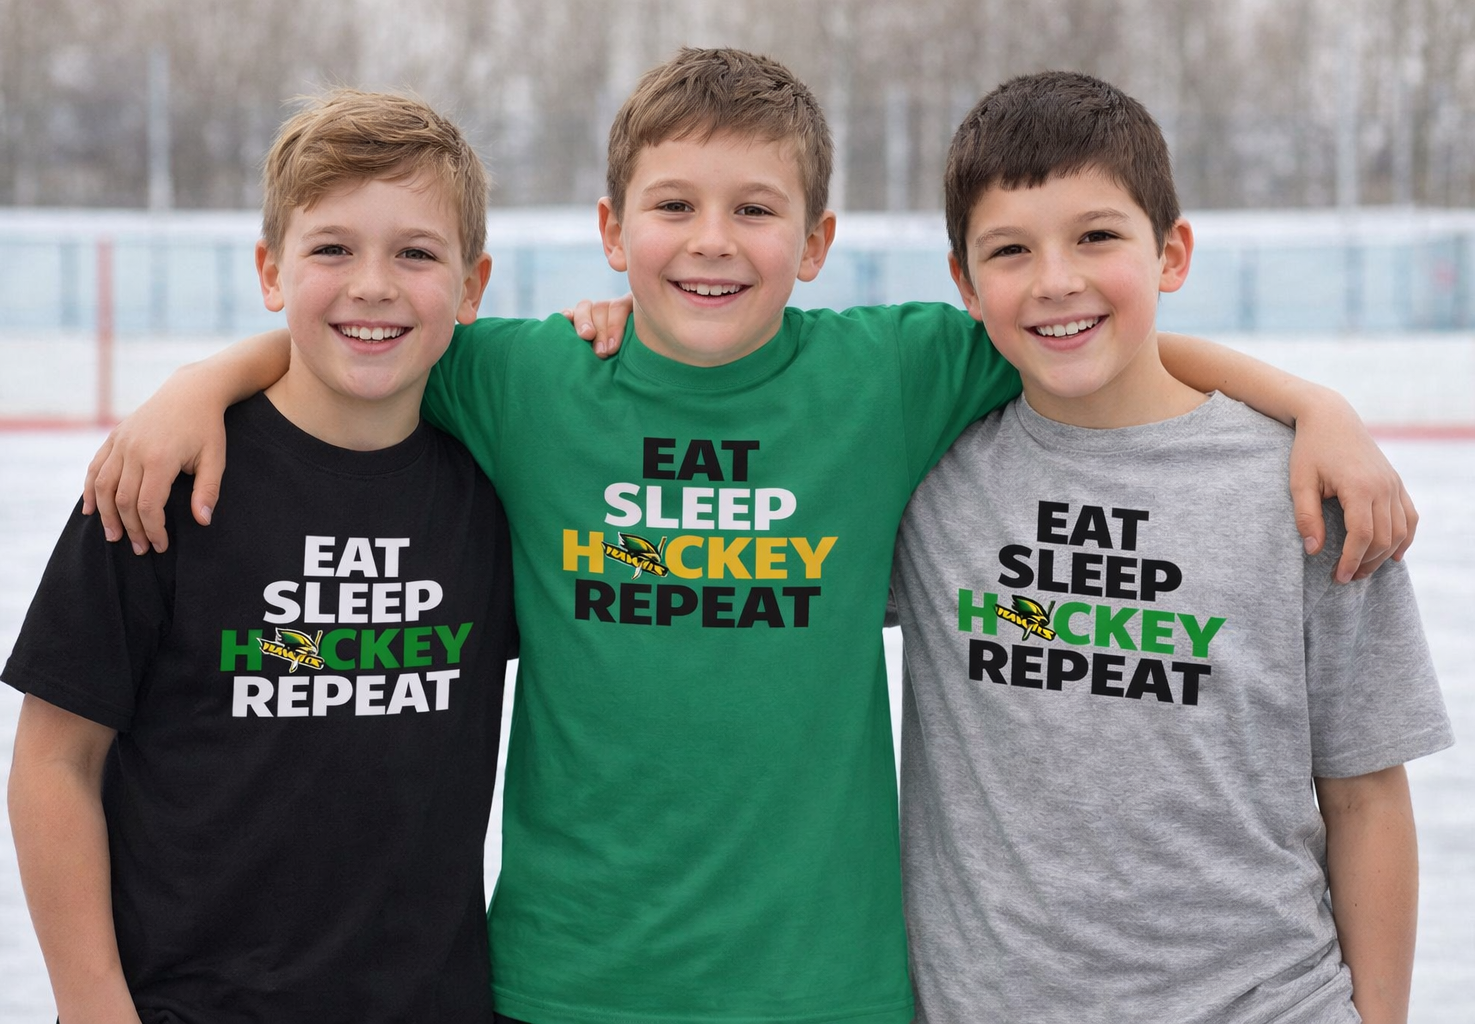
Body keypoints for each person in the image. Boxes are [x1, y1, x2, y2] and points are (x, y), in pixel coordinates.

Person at [77, 49, 1416, 1024]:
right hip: (571, 978)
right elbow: (371, 330)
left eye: (755, 211)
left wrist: (1313, 406)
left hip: (830, 984)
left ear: (817, 240)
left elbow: (1078, 330)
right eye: (673, 208)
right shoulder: (529, 381)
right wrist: (204, 381)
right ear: (612, 233)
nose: (710, 243)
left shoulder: (891, 375)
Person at [890, 71, 1453, 1024]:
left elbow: (1366, 796)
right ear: (965, 284)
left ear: (1172, 252)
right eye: (1011, 250)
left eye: (1097, 236)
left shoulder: (1305, 489)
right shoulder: (927, 480)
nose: (1056, 280)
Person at [3, 89, 516, 1024]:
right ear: (271, 271)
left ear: (472, 286)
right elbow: (54, 762)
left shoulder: (496, 495)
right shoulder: (162, 484)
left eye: (415, 253)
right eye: (332, 249)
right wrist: (93, 1008)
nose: (373, 285)